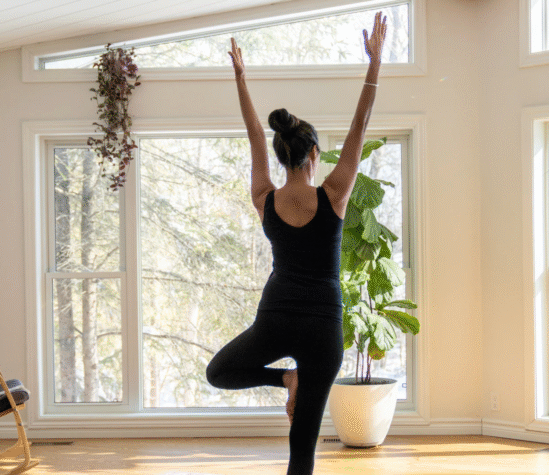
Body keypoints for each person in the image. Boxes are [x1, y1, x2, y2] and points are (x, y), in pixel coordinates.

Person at [205, 12, 388, 475]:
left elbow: (252, 135)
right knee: (302, 448)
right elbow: (360, 127)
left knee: (219, 372)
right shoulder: (334, 195)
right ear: (312, 154)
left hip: (277, 317)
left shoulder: (264, 198)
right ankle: (293, 377)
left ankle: (285, 378)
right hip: (324, 327)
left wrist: (241, 80)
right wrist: (374, 64)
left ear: (282, 155)